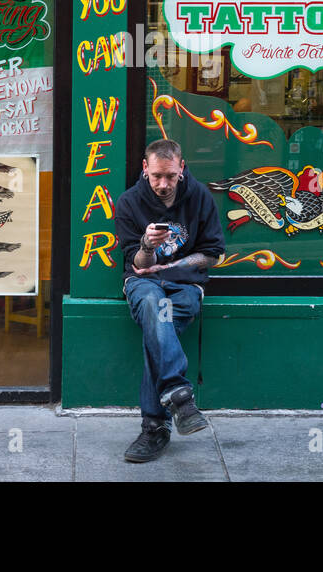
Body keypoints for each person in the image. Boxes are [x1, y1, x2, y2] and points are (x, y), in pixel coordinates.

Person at [115, 138, 225, 462]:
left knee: (156, 328)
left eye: (171, 177)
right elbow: (137, 265)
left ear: (182, 169)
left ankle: (156, 426)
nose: (163, 184)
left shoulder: (200, 197)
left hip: (185, 286)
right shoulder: (129, 202)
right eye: (157, 176)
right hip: (143, 281)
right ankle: (179, 398)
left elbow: (214, 255)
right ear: (145, 168)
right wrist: (147, 246)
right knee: (153, 306)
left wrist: (175, 265)